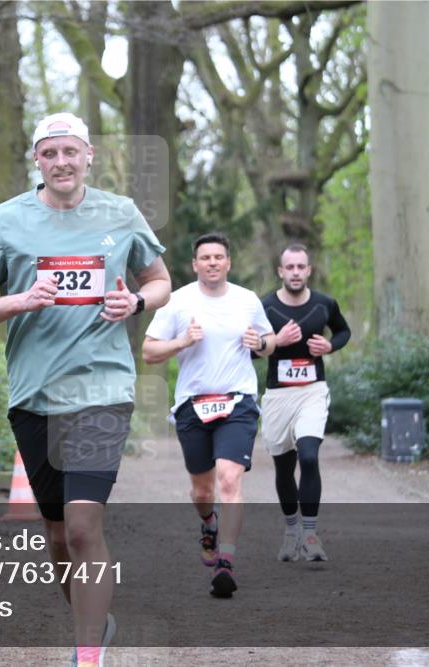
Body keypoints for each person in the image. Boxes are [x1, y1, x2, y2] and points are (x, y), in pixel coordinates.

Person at [0, 112, 171, 667]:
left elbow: (161, 281)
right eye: (49, 154)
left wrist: (138, 303)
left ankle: (86, 653)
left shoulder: (121, 215)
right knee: (56, 535)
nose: (61, 163)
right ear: (37, 160)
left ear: (88, 154)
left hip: (102, 390)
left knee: (81, 528)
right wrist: (19, 300)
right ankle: (96, 623)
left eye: (70, 152)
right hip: (34, 395)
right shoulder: (5, 222)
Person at [142, 232, 275, 598]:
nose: (213, 262)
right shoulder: (177, 301)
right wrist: (182, 341)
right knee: (202, 490)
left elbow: (271, 340)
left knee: (230, 480)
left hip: (239, 401)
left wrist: (261, 345)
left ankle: (226, 562)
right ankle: (208, 523)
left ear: (228, 263)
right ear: (195, 264)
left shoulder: (247, 300)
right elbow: (149, 352)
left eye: (219, 257)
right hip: (193, 404)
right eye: (206, 257)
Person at [261, 243, 350, 562]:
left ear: (309, 270)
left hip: (313, 390)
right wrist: (274, 342)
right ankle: (291, 531)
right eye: (290, 267)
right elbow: (249, 347)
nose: (296, 272)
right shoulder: (265, 306)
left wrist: (329, 345)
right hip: (277, 396)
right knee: (284, 467)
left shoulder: (325, 304)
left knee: (309, 456)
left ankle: (310, 534)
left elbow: (343, 332)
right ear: (280, 271)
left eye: (301, 267)